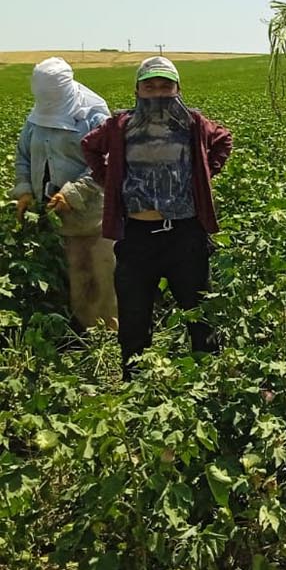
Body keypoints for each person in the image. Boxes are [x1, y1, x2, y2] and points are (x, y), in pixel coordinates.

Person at [82, 57, 232, 375]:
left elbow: (223, 141)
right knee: (134, 321)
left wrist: (205, 174)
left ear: (178, 89)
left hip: (185, 234)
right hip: (137, 236)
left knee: (199, 314)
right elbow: (90, 146)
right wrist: (109, 178)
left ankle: (207, 378)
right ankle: (135, 383)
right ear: (137, 89)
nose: (158, 93)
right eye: (149, 86)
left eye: (166, 86)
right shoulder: (120, 124)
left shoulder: (192, 122)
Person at [11, 57, 117, 330]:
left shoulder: (93, 115)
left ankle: (108, 339)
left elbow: (106, 162)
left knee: (101, 277)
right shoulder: (36, 117)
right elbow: (23, 155)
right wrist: (24, 190)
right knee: (75, 274)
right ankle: (81, 332)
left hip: (92, 215)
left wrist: (73, 193)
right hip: (53, 214)